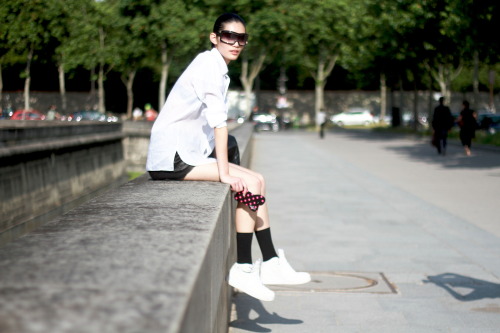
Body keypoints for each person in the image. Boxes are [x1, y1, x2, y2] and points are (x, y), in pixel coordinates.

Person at [146, 13, 310, 302]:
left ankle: (269, 261)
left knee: (257, 179)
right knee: (247, 183)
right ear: (215, 37)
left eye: (241, 38)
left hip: (187, 151)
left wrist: (225, 168)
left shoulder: (215, 66)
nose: (235, 43)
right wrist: (225, 173)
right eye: (228, 36)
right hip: (173, 157)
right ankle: (245, 267)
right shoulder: (209, 68)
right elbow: (219, 124)